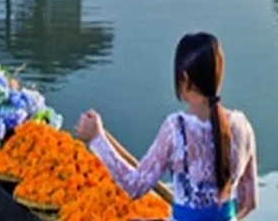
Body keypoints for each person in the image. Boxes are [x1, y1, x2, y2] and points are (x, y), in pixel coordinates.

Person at [73, 32, 258, 220]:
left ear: (184, 78)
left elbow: (134, 186)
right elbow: (248, 203)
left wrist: (97, 139)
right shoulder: (243, 126)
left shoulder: (177, 128)